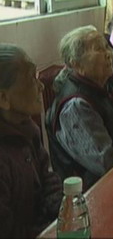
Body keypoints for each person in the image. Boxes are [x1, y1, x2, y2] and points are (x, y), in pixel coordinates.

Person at [45, 26, 113, 190]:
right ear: (76, 63)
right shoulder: (76, 106)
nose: (109, 54)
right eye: (98, 49)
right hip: (97, 189)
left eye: (106, 47)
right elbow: (107, 162)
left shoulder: (107, 84)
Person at [0, 44, 62, 238]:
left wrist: (61, 210)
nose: (41, 86)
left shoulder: (27, 128)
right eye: (31, 79)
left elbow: (47, 176)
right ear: (3, 98)